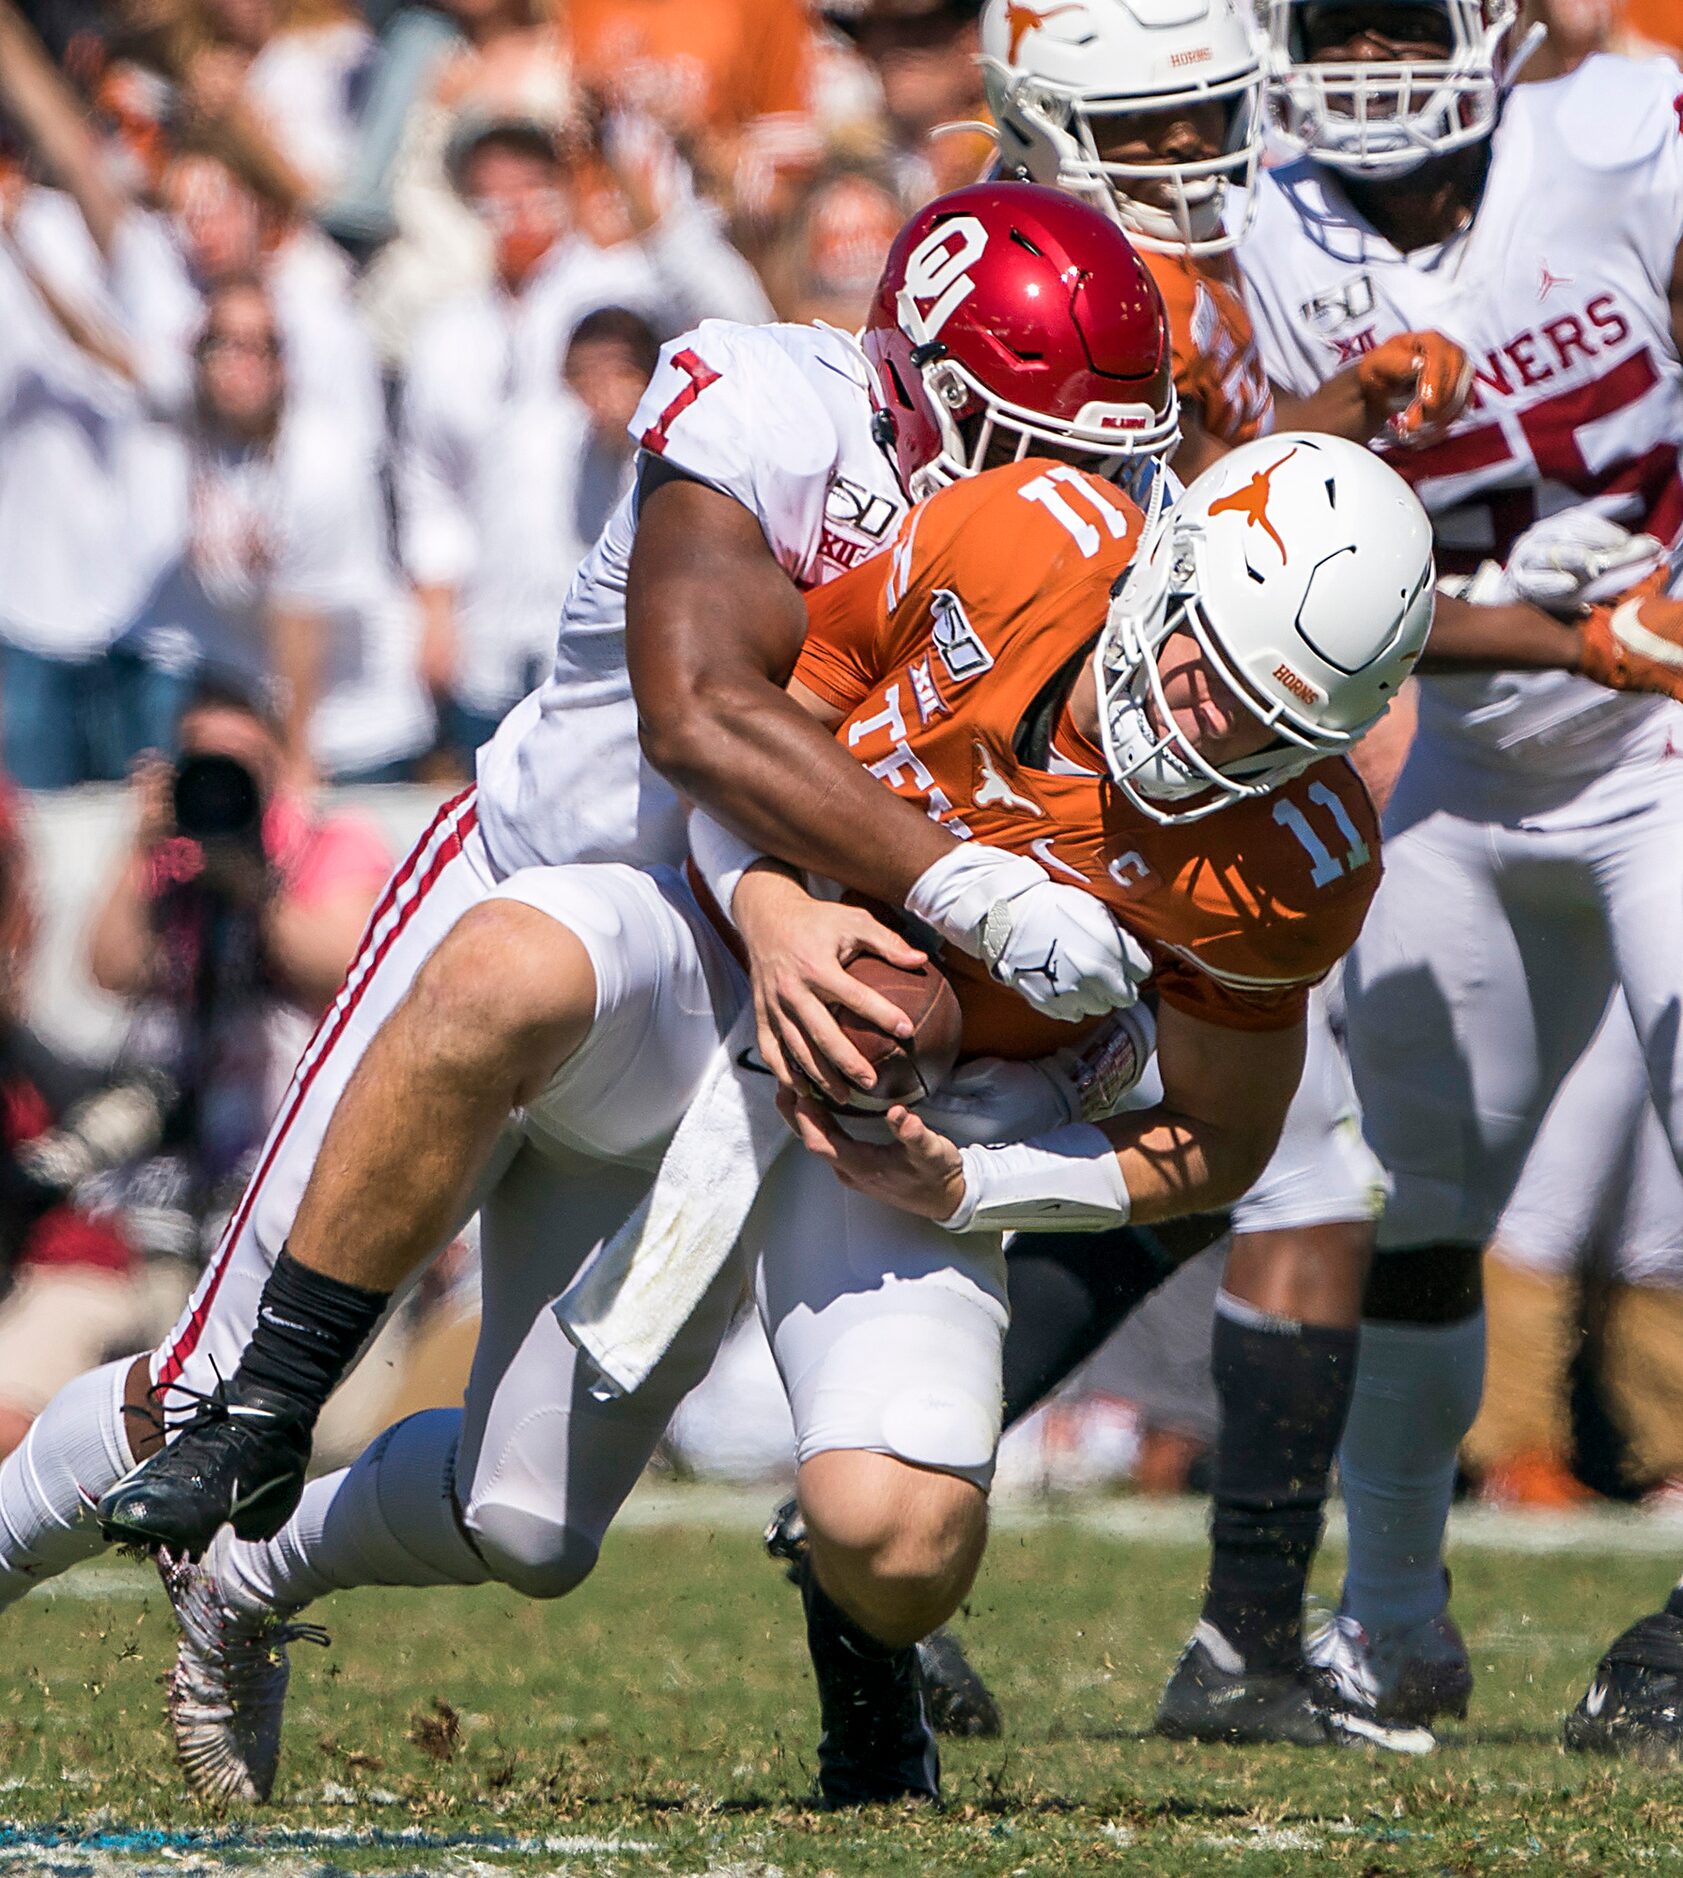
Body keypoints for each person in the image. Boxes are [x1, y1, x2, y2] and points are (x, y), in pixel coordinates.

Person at [0, 181, 1174, 1788]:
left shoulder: (1107, 542)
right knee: (208, 1388)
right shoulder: (769, 408)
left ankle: (250, 1582)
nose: (1083, 497)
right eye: (1041, 448)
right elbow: (694, 711)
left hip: (757, 1024)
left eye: (1114, 458)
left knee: (530, 1518)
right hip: (565, 902)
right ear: (913, 391)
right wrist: (944, 880)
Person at [158, 430, 1431, 1812]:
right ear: (1167, 571)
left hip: (927, 1116)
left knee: (895, 1536)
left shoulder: (1289, 861)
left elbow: (1221, 1142)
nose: (1207, 738)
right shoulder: (1017, 541)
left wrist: (984, 1180)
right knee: (525, 1515)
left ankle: (873, 1691)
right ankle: (257, 1509)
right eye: (1205, 680)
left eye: (1269, 729)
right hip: (727, 983)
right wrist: (775, 908)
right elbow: (745, 730)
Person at [876, 0, 1472, 1750]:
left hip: (1147, 749)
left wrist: (1319, 420)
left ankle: (1207, 1619)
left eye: (1202, 118)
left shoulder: (1188, 285)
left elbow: (1209, 524)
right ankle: (1218, 1627)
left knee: (1253, 1164)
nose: (1180, 162)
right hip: (1020, 747)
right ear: (1043, 123)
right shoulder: (1016, 273)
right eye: (1138, 134)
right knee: (1271, 1158)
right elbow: (1071, 549)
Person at [1231, 0, 1683, 1747]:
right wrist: (1327, 417)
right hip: (1478, 756)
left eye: (1390, 26)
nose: (1361, 68)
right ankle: (1392, 1618)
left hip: (1659, 758)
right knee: (1410, 1200)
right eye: (1327, 35)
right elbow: (1238, 525)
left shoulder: (1611, 135)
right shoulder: (1277, 232)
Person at [398, 109, 769, 762]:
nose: (512, 206)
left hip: (612, 631)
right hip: (489, 636)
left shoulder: (620, 282)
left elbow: (739, 321)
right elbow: (431, 482)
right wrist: (433, 613)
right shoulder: (445, 331)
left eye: (529, 184)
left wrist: (656, 214)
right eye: (493, 191)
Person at [109, 276, 432, 782]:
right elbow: (105, 351)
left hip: (350, 725)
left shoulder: (320, 459)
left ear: (283, 363)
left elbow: (302, 619)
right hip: (256, 708)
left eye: (260, 346)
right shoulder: (199, 420)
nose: (241, 362)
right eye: (222, 345)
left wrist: (296, 765)